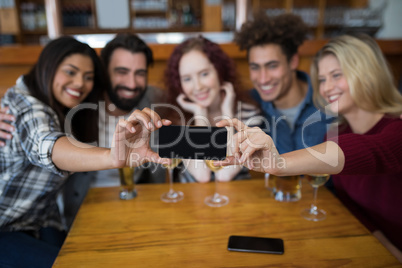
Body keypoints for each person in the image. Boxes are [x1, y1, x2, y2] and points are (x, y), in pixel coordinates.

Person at [216, 34, 402, 261]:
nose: (327, 87)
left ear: (367, 73)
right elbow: (353, 207)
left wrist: (280, 163)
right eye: (322, 79)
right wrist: (387, 249)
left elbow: (374, 150)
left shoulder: (397, 127)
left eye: (336, 76)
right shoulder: (337, 132)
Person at [0, 36, 171, 268]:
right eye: (70, 72)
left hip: (42, 219)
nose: (79, 83)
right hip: (8, 225)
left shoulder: (67, 103)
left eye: (87, 77)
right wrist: (112, 157)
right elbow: (45, 144)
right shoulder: (28, 105)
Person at [164, 36, 261, 183]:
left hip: (237, 200)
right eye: (187, 79)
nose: (198, 86)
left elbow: (224, 175)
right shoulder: (177, 119)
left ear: (219, 72)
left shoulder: (249, 114)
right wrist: (199, 114)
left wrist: (228, 116)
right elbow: (202, 176)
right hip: (191, 202)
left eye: (204, 74)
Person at [233, 13, 333, 154]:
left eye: (272, 66)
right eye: (255, 67)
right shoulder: (247, 104)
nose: (263, 79)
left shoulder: (329, 97)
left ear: (293, 61)